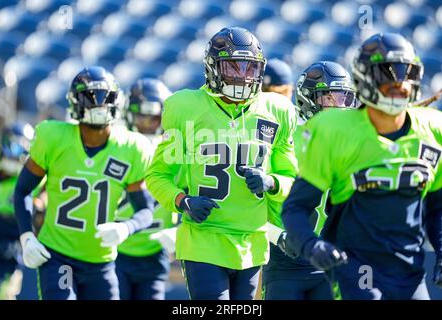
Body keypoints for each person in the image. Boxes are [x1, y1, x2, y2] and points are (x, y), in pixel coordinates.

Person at [281, 33, 442, 300]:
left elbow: (437, 206)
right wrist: (311, 245)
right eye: (387, 74)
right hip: (355, 267)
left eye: (406, 73)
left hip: (409, 271)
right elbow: (296, 207)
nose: (398, 84)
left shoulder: (432, 129)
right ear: (365, 78)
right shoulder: (334, 130)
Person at [146, 27, 298, 300]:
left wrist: (271, 182)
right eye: (232, 67)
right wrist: (183, 201)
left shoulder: (278, 110)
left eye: (249, 68)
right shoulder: (185, 107)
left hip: (252, 241)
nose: (242, 76)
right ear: (212, 67)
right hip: (204, 238)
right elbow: (158, 175)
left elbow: (291, 180)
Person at [14, 66, 155, 300]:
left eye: (104, 98)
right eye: (91, 99)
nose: (98, 105)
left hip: (101, 263)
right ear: (75, 102)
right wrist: (27, 236)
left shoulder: (131, 148)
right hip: (59, 256)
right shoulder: (53, 137)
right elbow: (22, 190)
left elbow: (146, 210)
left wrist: (125, 227)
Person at [263, 61, 356, 300]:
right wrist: (276, 235)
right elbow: (253, 205)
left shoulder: (352, 139)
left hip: (330, 256)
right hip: (285, 257)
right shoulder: (285, 133)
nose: (339, 106)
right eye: (329, 98)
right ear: (307, 98)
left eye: (344, 98)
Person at [115, 78, 178, 300]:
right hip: (116, 248)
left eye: (154, 117)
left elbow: (191, 192)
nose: (148, 123)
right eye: (141, 115)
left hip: (155, 250)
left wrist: (180, 229)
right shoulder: (118, 145)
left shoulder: (175, 149)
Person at [0, 123, 34, 298]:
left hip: (9, 246)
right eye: (15, 146)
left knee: (4, 292)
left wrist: (40, 203)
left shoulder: (30, 179)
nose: (17, 153)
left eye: (22, 148)